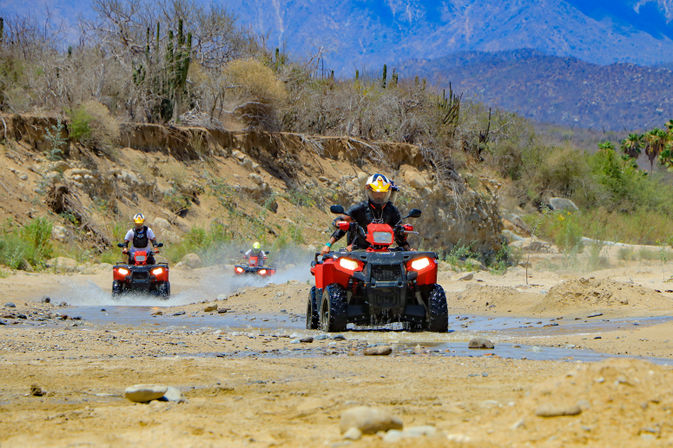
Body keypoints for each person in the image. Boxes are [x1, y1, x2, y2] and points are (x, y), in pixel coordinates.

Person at [321, 173, 410, 255]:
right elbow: (342, 221)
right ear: (369, 192)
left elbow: (399, 231)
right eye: (376, 193)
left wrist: (407, 247)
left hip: (384, 252)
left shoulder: (392, 210)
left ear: (387, 193)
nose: (379, 196)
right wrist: (328, 244)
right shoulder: (360, 208)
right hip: (357, 250)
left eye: (382, 193)